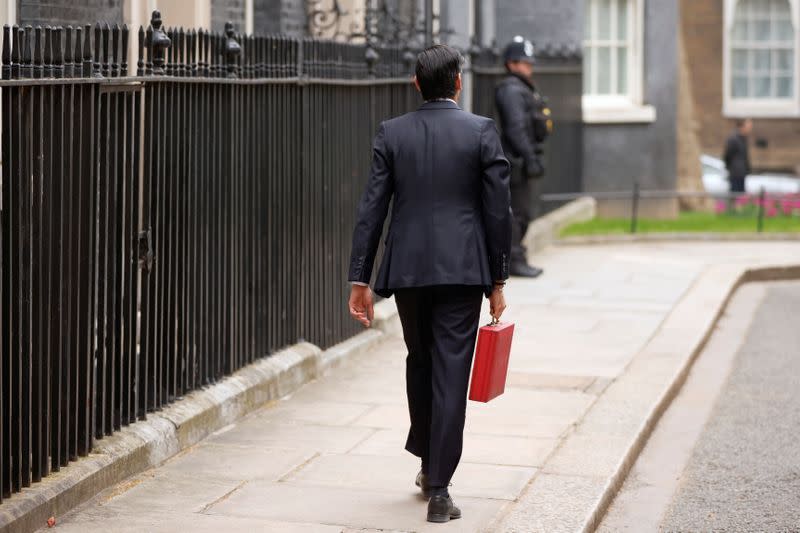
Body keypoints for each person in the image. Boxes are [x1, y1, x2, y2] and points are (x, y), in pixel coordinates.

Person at [346, 45, 512, 524]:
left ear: (417, 83)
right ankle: (439, 488)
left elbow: (371, 208)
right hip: (463, 270)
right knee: (450, 374)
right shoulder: (481, 131)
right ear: (457, 82)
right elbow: (497, 211)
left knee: (421, 359)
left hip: (410, 271)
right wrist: (497, 278)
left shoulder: (392, 133)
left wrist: (361, 278)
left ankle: (426, 460)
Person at [495, 36, 552, 278]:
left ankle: (516, 257)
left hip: (521, 159)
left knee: (522, 213)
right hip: (514, 161)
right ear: (512, 63)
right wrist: (529, 158)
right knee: (518, 213)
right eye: (524, 62)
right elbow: (516, 128)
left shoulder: (521, 88)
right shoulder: (511, 90)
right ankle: (515, 260)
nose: (529, 67)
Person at [724, 118, 752, 196]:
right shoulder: (733, 139)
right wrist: (730, 167)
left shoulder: (743, 139)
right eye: (748, 126)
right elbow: (727, 155)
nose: (750, 129)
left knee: (741, 196)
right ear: (742, 127)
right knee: (735, 195)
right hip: (735, 173)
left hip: (742, 173)